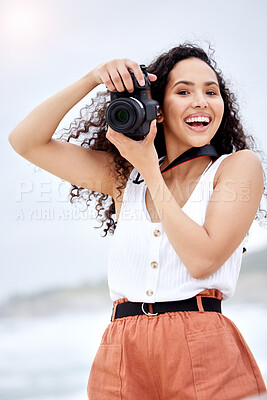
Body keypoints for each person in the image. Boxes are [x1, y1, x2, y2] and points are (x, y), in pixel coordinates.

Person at [8, 43, 267, 399]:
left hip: (203, 343)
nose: (201, 101)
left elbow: (202, 259)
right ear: (156, 110)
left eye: (211, 91)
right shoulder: (124, 179)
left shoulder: (237, 167)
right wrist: (92, 78)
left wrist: (148, 166)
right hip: (122, 350)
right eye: (183, 91)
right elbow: (26, 142)